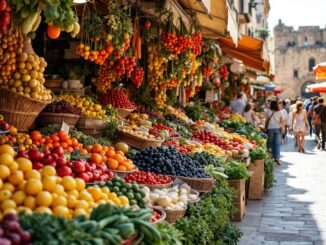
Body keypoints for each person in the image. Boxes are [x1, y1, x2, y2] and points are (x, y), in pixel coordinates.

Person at [265, 100, 285, 165]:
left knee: (271, 144)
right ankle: (277, 159)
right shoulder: (279, 111)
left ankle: (273, 157)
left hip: (270, 129)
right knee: (277, 144)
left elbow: (266, 120)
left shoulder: (268, 111)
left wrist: (265, 127)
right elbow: (282, 121)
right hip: (277, 128)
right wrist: (283, 128)